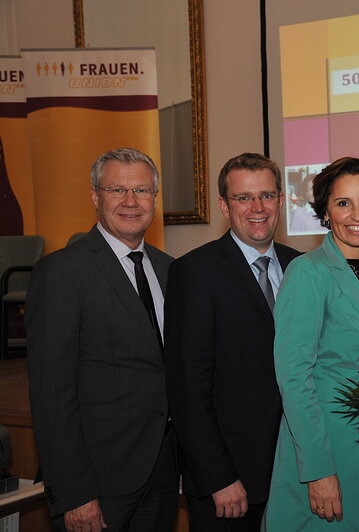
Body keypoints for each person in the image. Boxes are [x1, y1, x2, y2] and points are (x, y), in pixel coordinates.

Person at [26, 148, 177, 531]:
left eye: (142, 191)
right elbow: (51, 394)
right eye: (117, 190)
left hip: (161, 472)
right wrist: (75, 493)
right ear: (95, 197)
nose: (131, 202)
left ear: (154, 199)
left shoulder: (170, 269)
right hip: (96, 481)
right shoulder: (60, 272)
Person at [264, 157, 359, 531]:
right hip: (322, 446)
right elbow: (293, 378)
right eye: (343, 203)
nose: (357, 214)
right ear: (325, 210)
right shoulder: (307, 272)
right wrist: (318, 471)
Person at [164, 153, 301, 531]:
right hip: (229, 483)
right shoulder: (193, 272)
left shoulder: (302, 267)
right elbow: (187, 388)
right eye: (243, 198)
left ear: (280, 201)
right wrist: (218, 478)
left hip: (293, 472)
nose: (257, 208)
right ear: (225, 206)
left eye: (267, 196)